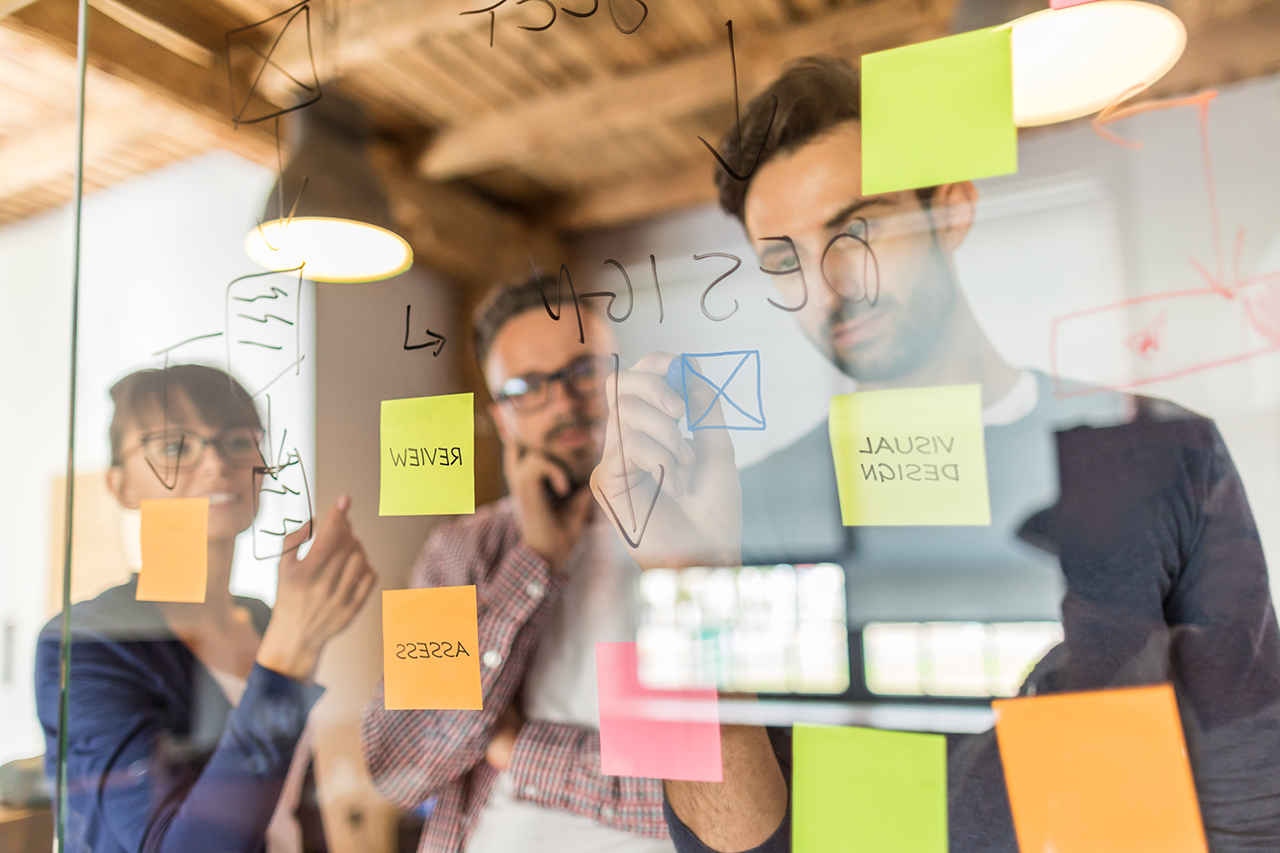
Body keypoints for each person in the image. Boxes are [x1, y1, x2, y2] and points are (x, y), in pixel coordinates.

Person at [590, 57, 1280, 852]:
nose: (827, 287)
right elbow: (720, 842)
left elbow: (1252, 785)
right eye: (784, 259)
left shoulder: (1160, 447)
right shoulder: (752, 506)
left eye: (858, 229)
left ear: (950, 209)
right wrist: (687, 583)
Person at [359, 276, 674, 853]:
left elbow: (728, 800)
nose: (563, 401)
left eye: (585, 370)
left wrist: (516, 747)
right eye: (527, 387)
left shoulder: (698, 533)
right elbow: (398, 764)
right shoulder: (459, 549)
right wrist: (537, 560)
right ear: (502, 419)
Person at [35, 364, 376, 853]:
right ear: (120, 485)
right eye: (175, 447)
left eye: (237, 441)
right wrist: (292, 652)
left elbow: (294, 804)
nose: (216, 464)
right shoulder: (86, 643)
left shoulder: (260, 618)